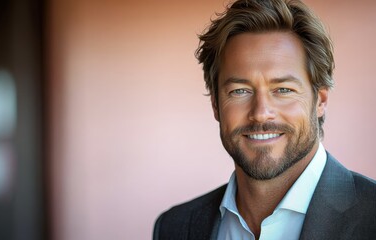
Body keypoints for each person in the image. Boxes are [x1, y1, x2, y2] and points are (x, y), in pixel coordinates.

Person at [153, 0, 376, 239]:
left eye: (283, 90)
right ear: (215, 105)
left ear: (320, 101)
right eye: (239, 91)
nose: (260, 112)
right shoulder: (174, 227)